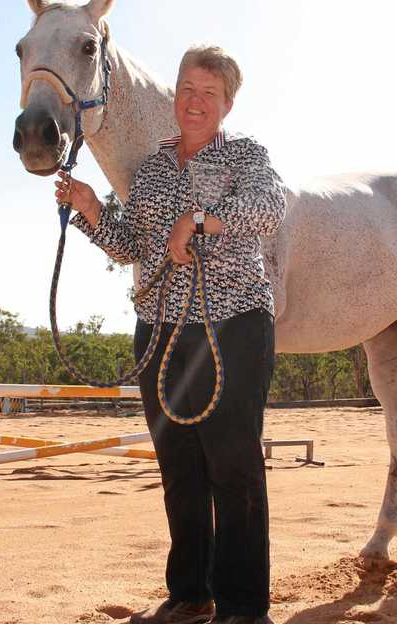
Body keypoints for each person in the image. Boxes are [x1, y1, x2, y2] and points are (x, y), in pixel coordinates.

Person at [55, 45, 285, 624]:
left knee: (233, 465)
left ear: (228, 103)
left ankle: (242, 605)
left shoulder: (247, 158)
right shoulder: (152, 171)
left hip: (232, 326)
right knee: (179, 467)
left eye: (209, 92)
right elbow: (132, 245)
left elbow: (269, 206)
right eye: (188, 88)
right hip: (160, 329)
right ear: (175, 93)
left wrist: (203, 219)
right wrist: (90, 211)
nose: (195, 101)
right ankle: (190, 593)